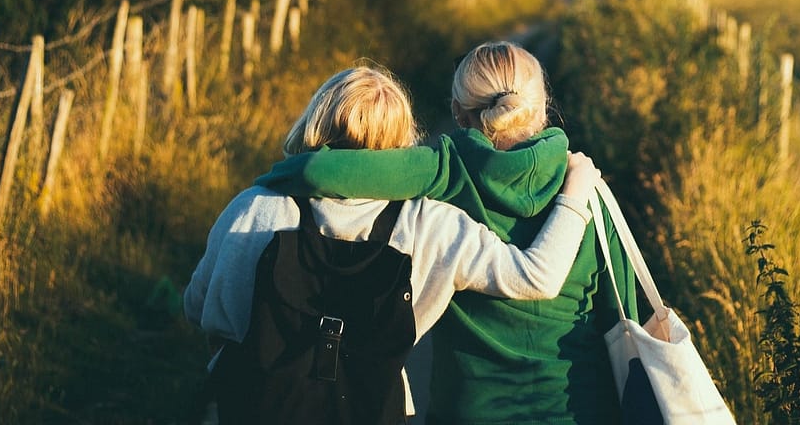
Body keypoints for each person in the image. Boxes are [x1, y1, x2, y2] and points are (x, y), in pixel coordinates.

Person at [183, 65, 601, 425]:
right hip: (375, 408)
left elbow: (200, 306)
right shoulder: (429, 224)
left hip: (259, 406)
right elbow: (537, 276)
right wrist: (575, 193)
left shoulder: (255, 208)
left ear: (314, 121)